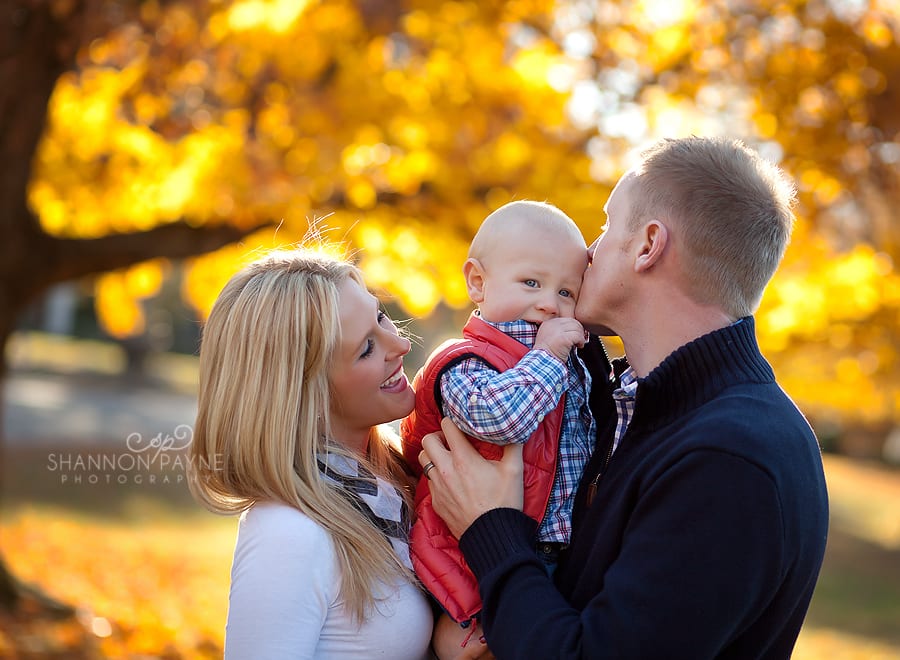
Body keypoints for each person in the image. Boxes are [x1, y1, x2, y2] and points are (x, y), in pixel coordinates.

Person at [419, 136, 830, 659]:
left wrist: (490, 531)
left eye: (607, 226)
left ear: (647, 245)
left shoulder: (730, 459)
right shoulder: (628, 407)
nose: (588, 252)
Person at [188, 249, 435, 659]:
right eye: (366, 349)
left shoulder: (399, 482)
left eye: (381, 317)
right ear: (306, 394)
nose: (402, 344)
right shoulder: (288, 532)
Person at [402, 201, 594, 629]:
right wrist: (547, 355)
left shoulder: (562, 360)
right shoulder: (463, 362)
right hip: (473, 555)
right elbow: (498, 419)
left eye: (566, 292)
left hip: (551, 550)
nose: (549, 304)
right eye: (531, 282)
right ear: (477, 282)